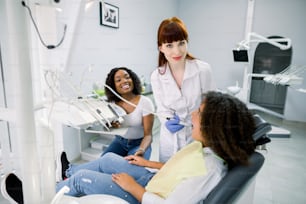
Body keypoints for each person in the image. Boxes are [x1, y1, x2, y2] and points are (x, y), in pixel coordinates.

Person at [55, 91, 256, 204]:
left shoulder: (209, 168)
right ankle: (67, 173)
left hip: (145, 196)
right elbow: (179, 170)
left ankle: (36, 197)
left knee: (82, 180)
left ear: (215, 128)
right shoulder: (204, 148)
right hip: (153, 181)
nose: (193, 114)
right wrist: (146, 163)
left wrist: (132, 186)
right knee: (108, 160)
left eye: (200, 113)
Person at [56, 67, 155, 181]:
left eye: (127, 77)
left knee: (132, 169)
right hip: (120, 142)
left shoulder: (145, 102)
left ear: (133, 79)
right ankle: (69, 173)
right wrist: (111, 125)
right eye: (118, 80)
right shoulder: (112, 103)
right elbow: (108, 126)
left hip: (140, 143)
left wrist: (141, 150)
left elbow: (148, 135)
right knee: (102, 164)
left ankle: (69, 172)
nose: (124, 81)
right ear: (113, 86)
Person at [150, 16, 216, 162]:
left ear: (187, 42)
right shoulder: (157, 76)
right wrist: (167, 120)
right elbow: (161, 108)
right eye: (169, 45)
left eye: (181, 43)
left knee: (194, 177)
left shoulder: (202, 70)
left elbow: (211, 104)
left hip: (198, 136)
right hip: (170, 138)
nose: (177, 51)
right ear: (160, 47)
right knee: (168, 176)